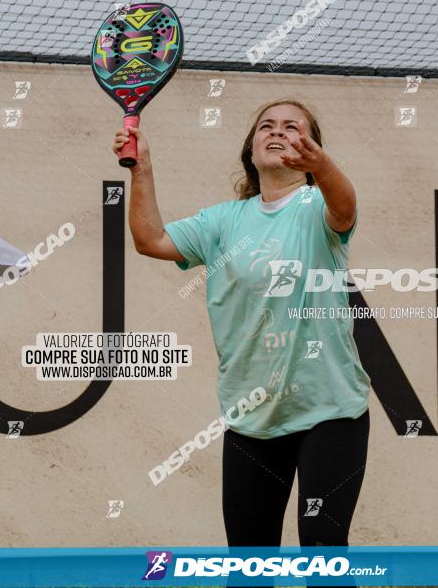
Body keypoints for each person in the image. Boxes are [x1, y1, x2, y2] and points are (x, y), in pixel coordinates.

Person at [113, 98, 371, 548]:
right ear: (250, 152)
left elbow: (344, 206)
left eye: (292, 127)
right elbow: (149, 239)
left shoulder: (317, 206)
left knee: (322, 547)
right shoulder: (222, 222)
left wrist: (325, 167)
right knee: (249, 565)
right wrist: (142, 168)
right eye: (266, 127)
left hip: (331, 412)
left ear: (311, 147)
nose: (277, 131)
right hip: (252, 415)